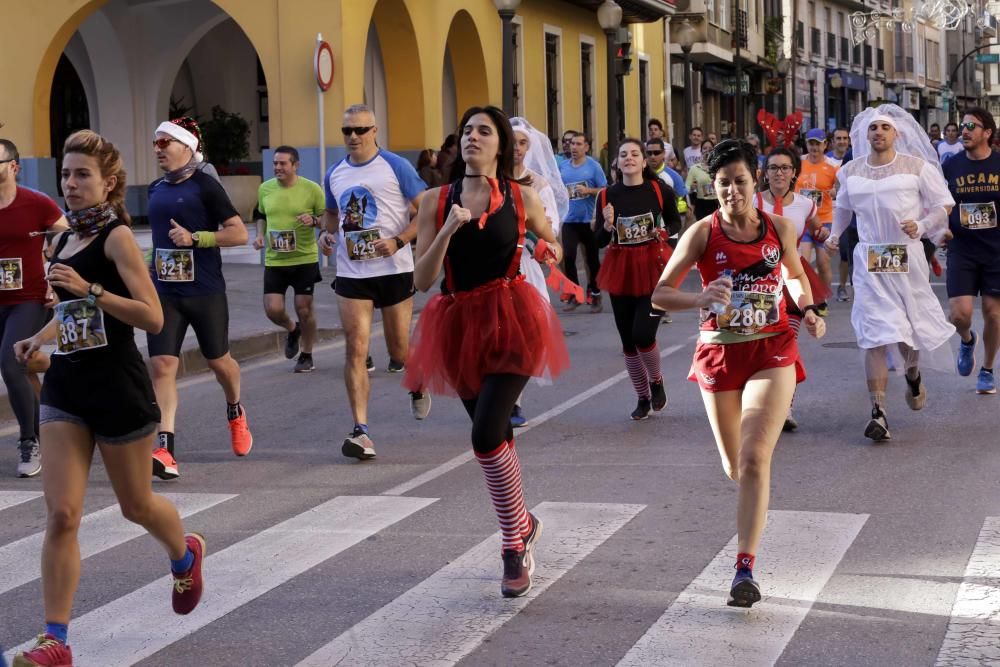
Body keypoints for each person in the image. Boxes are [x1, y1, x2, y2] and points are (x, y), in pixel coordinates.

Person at [12, 131, 205, 667]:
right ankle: (56, 641)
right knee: (62, 516)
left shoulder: (117, 238)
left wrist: (91, 288)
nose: (71, 185)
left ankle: (184, 553)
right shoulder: (59, 240)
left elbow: (153, 316)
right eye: (67, 175)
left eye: (82, 176)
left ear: (109, 183)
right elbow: (69, 313)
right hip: (67, 387)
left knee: (135, 505)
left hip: (118, 389)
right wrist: (40, 337)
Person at [652, 139, 825, 608]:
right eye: (723, 183)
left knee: (753, 459)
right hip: (720, 354)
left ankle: (743, 569)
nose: (732, 191)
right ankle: (754, 500)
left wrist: (807, 309)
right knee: (735, 466)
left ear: (757, 180)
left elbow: (794, 274)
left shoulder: (780, 228)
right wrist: (699, 299)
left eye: (740, 181)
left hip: (773, 348)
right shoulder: (702, 234)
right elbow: (660, 294)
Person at [404, 105, 568, 598]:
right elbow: (421, 279)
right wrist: (451, 228)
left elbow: (552, 243)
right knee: (495, 437)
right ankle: (523, 522)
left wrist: (547, 250)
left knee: (484, 435)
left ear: (500, 145)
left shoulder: (522, 197)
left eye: (484, 131)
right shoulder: (434, 200)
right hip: (457, 324)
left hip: (512, 318)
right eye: (467, 131)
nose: (474, 138)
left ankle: (512, 545)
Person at [827, 104, 956, 441]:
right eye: (873, 128)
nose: (878, 133)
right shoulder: (851, 171)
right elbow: (842, 208)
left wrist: (923, 224)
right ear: (864, 135)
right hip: (869, 258)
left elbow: (944, 204)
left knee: (907, 332)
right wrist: (834, 234)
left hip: (905, 256)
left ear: (896, 133)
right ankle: (878, 411)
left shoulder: (917, 167)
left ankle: (913, 375)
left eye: (884, 127)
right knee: (874, 333)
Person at [319, 104, 431, 461]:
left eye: (360, 130)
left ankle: (416, 383)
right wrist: (325, 234)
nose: (353, 137)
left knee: (399, 352)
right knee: (355, 348)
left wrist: (399, 240)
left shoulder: (396, 166)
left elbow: (426, 210)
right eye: (347, 131)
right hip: (352, 274)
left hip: (394, 269)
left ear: (374, 130)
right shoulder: (335, 173)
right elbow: (332, 214)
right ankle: (361, 431)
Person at [147, 117, 252, 481]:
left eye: (165, 143)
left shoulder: (206, 185)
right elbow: (161, 239)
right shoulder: (156, 189)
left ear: (187, 148)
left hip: (205, 290)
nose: (158, 149)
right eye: (156, 143)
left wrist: (197, 239)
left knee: (219, 362)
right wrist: (148, 267)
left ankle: (235, 410)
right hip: (166, 291)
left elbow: (238, 233)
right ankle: (165, 447)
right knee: (162, 365)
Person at [595, 138, 680, 419]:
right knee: (628, 341)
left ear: (644, 162)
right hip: (620, 268)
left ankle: (656, 381)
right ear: (617, 163)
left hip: (652, 266)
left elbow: (676, 220)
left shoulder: (659, 190)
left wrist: (663, 233)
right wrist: (606, 226)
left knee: (643, 334)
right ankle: (642, 396)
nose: (629, 158)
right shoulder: (606, 196)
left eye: (635, 154)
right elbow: (596, 240)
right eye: (623, 155)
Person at [0, 139, 67, 478]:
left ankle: (29, 443)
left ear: (14, 167)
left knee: (12, 365)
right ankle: (53, 432)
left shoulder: (36, 203)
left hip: (28, 299)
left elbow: (70, 238)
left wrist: (56, 279)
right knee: (24, 369)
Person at [755, 147, 830, 430]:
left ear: (793, 173)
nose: (779, 173)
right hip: (758, 280)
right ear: (765, 173)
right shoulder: (751, 202)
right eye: (773, 168)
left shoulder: (804, 204)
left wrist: (824, 236)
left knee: (788, 343)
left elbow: (817, 229)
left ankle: (785, 408)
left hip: (792, 278)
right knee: (760, 345)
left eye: (785, 168)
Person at [509, 117, 567, 427]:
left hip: (526, 266)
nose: (517, 149)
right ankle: (505, 400)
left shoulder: (538, 185)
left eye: (523, 143)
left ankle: (513, 397)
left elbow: (551, 229)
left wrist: (544, 242)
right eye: (513, 142)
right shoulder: (488, 180)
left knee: (527, 336)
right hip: (493, 266)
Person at [942, 108, 1000, 395]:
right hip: (962, 248)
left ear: (987, 132)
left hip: (996, 249)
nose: (964, 130)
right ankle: (967, 340)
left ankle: (988, 369)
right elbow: (941, 203)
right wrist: (940, 228)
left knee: (993, 312)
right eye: (962, 125)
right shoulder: (951, 165)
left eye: (971, 126)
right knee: (959, 315)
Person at [252, 145, 325, 373]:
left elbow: (326, 220)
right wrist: (259, 236)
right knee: (273, 309)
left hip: (304, 257)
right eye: (275, 163)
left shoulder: (312, 190)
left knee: (304, 307)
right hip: (276, 259)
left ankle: (307, 354)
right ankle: (293, 329)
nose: (277, 167)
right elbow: (261, 216)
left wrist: (313, 220)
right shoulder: (265, 189)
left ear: (295, 165)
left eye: (283, 163)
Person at [558, 132, 607, 312]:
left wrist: (588, 190)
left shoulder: (594, 167)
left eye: (578, 144)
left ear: (586, 147)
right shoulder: (563, 167)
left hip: (589, 221)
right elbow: (558, 190)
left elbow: (604, 190)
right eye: (572, 144)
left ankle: (595, 294)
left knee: (592, 260)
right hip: (569, 220)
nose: (574, 147)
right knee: (568, 257)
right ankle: (574, 294)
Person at [796, 128, 839, 315]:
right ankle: (805, 300)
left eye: (817, 143)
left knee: (823, 263)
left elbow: (840, 190)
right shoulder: (798, 163)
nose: (814, 147)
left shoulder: (832, 167)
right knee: (802, 262)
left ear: (825, 145)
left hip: (824, 220)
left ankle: (822, 300)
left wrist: (835, 192)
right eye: (810, 143)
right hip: (804, 219)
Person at [686, 139, 720, 220]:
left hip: (717, 202)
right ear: (701, 151)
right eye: (705, 148)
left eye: (710, 149)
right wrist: (691, 188)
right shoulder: (694, 168)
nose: (707, 151)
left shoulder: (719, 167)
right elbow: (686, 186)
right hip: (701, 204)